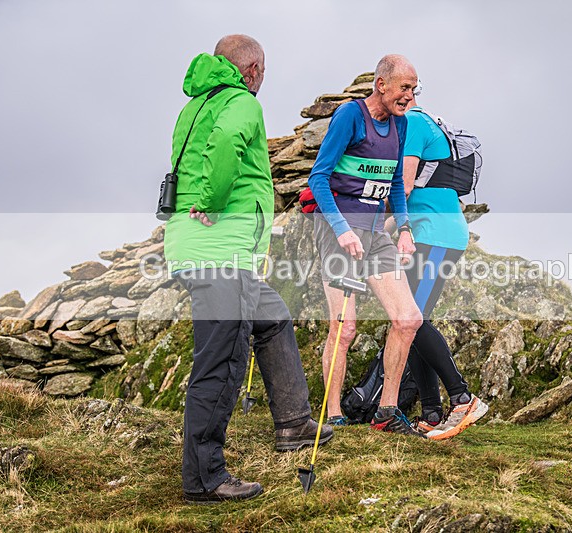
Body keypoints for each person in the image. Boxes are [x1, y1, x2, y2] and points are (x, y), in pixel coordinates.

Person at [163, 34, 332, 504]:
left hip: (202, 248)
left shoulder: (196, 105)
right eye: (263, 71)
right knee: (221, 361)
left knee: (272, 318)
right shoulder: (241, 102)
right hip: (220, 252)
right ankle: (205, 478)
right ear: (252, 69)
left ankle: (294, 423)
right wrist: (213, 201)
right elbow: (226, 145)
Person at [307, 54, 424, 437]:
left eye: (414, 89)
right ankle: (333, 415)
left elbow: (395, 184)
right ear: (381, 84)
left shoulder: (401, 124)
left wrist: (403, 229)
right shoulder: (350, 116)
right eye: (404, 88)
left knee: (408, 319)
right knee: (345, 328)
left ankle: (386, 411)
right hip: (338, 231)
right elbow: (318, 177)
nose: (410, 96)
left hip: (376, 234)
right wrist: (341, 229)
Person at [397, 91, 489, 439]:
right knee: (412, 321)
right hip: (429, 233)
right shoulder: (423, 123)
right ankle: (432, 413)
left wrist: (375, 224)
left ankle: (463, 398)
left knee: (412, 318)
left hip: (437, 236)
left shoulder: (413, 122)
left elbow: (404, 186)